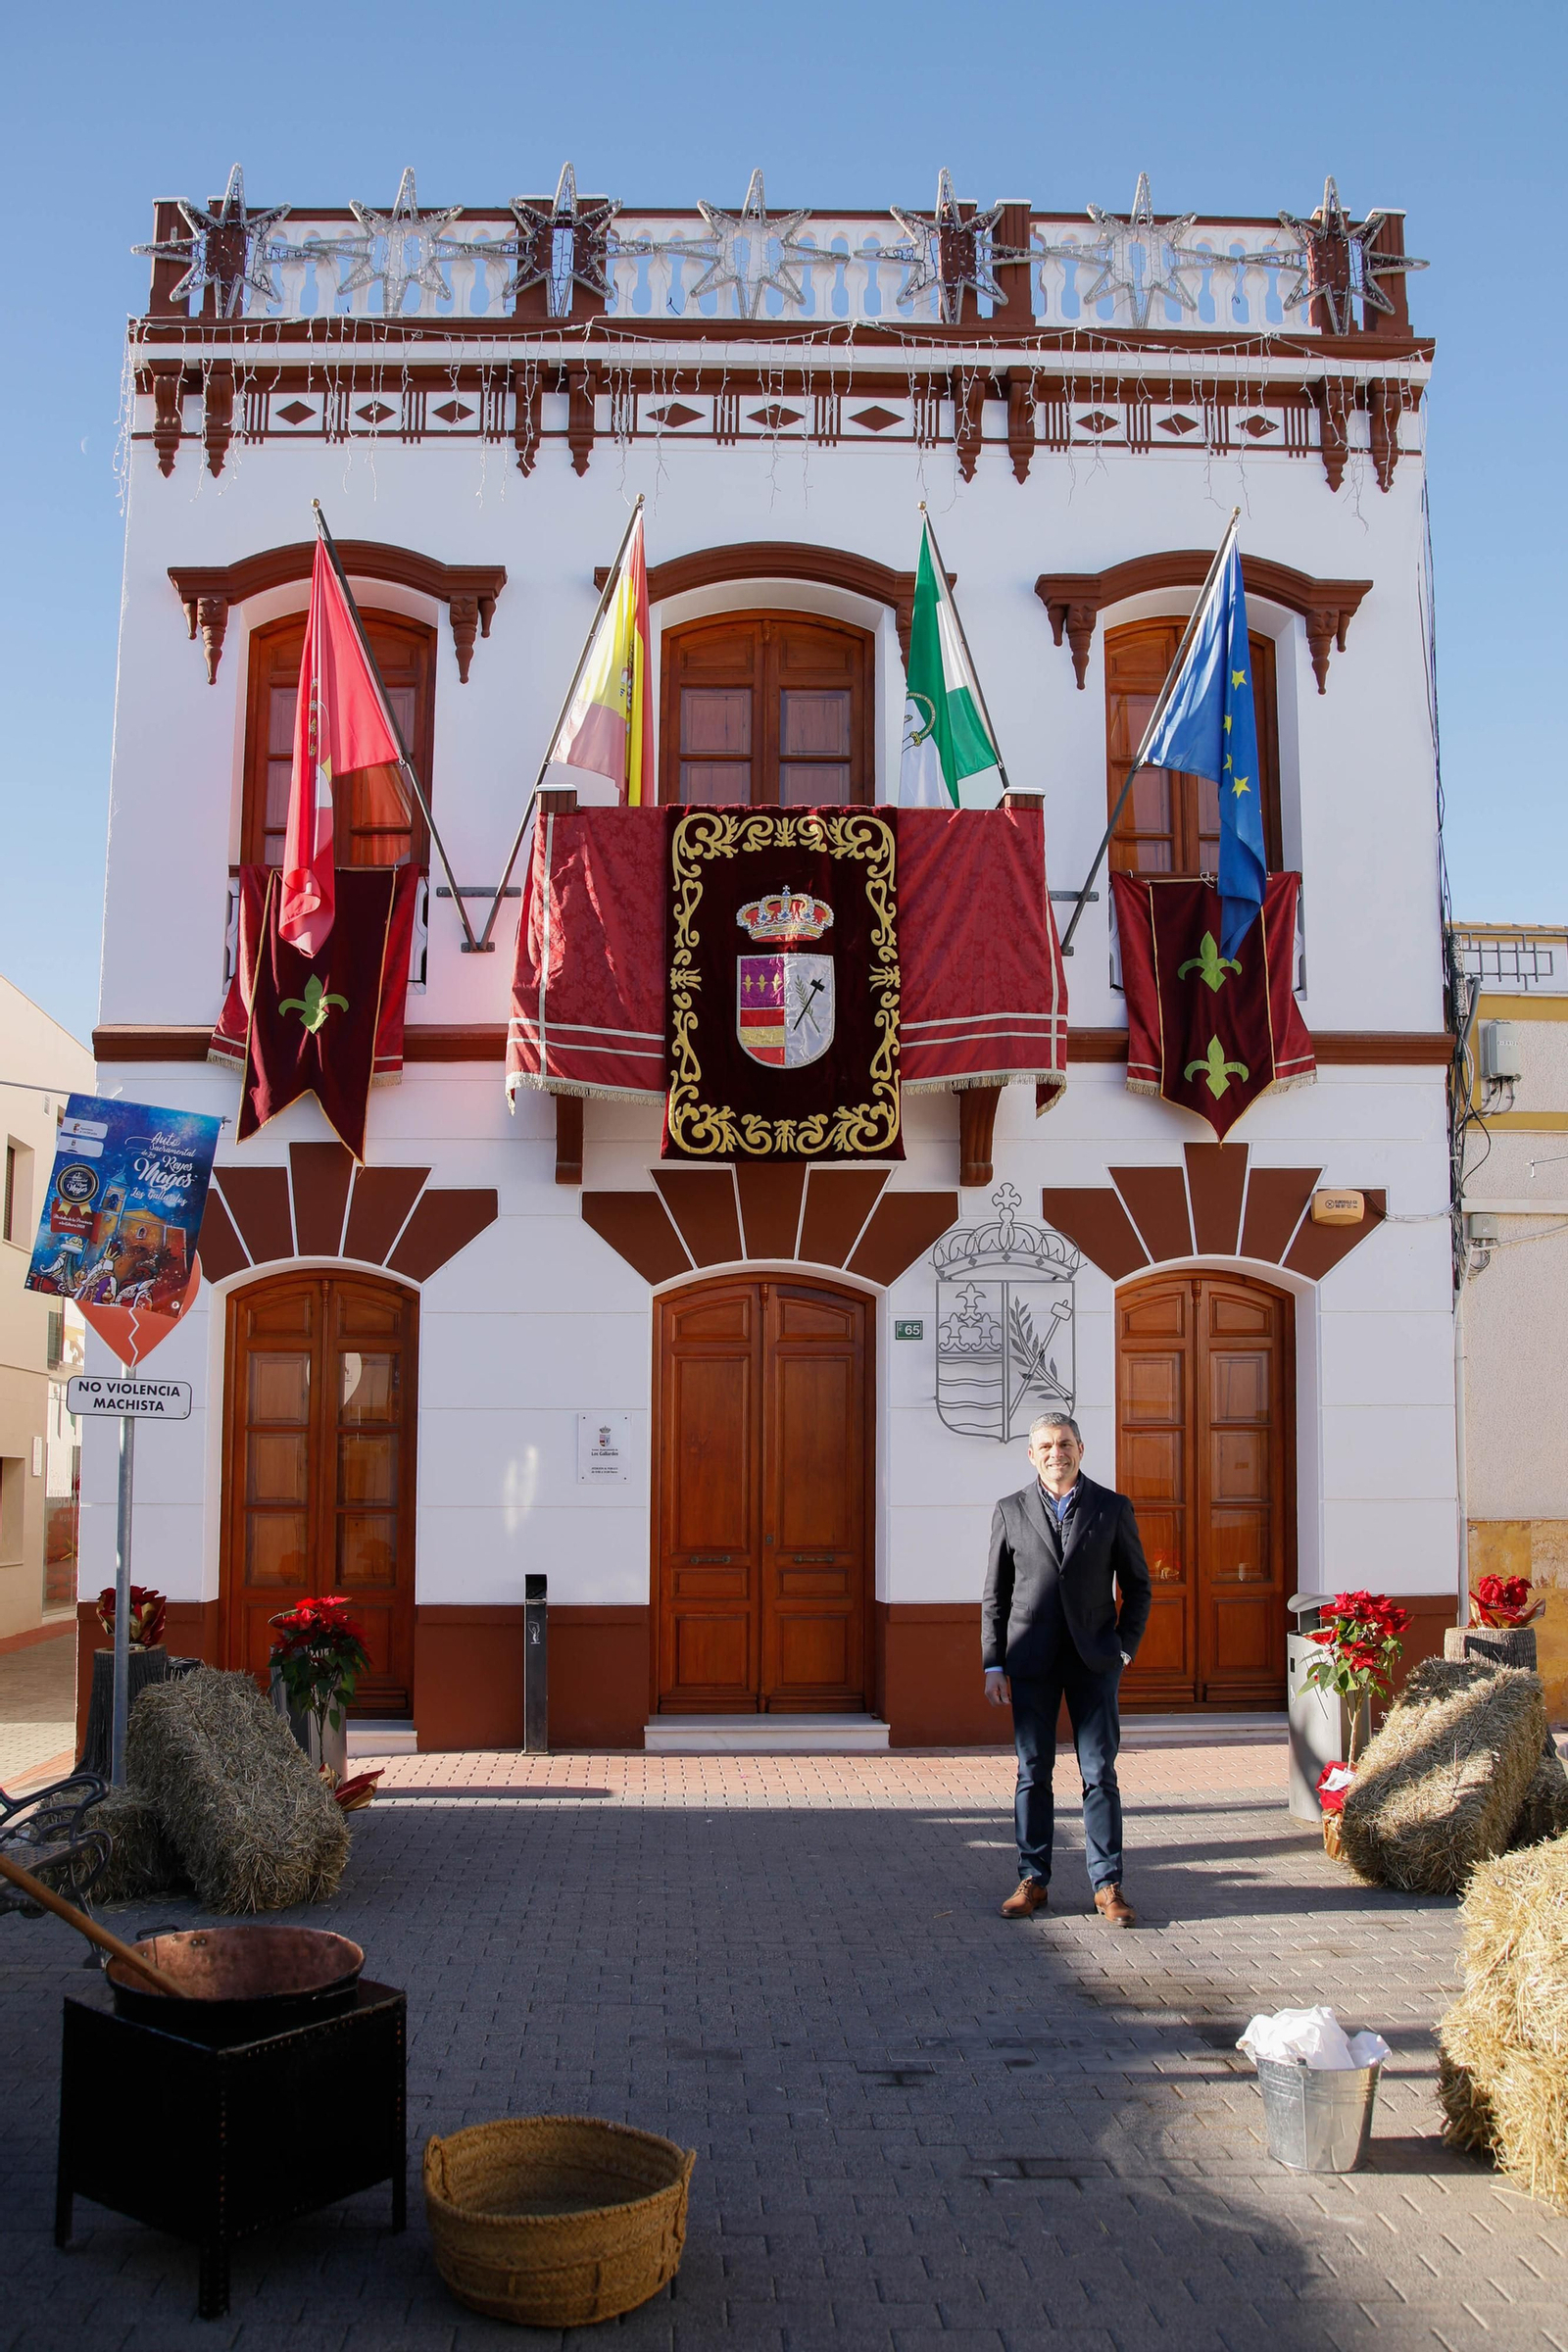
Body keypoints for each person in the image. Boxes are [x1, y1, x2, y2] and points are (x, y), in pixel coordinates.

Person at [982, 1411, 1152, 1927]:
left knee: (1099, 1774)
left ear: (1081, 1449)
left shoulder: (1112, 1507)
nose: (1057, 1453)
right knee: (1032, 1773)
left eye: (1065, 1443)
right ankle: (1033, 1880)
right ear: (1031, 1455)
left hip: (1093, 1662)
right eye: (1046, 1446)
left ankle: (1107, 1885)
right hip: (1031, 1662)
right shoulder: (1010, 1510)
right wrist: (993, 1662)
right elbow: (997, 1594)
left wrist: (1123, 1649)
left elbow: (1138, 1586)